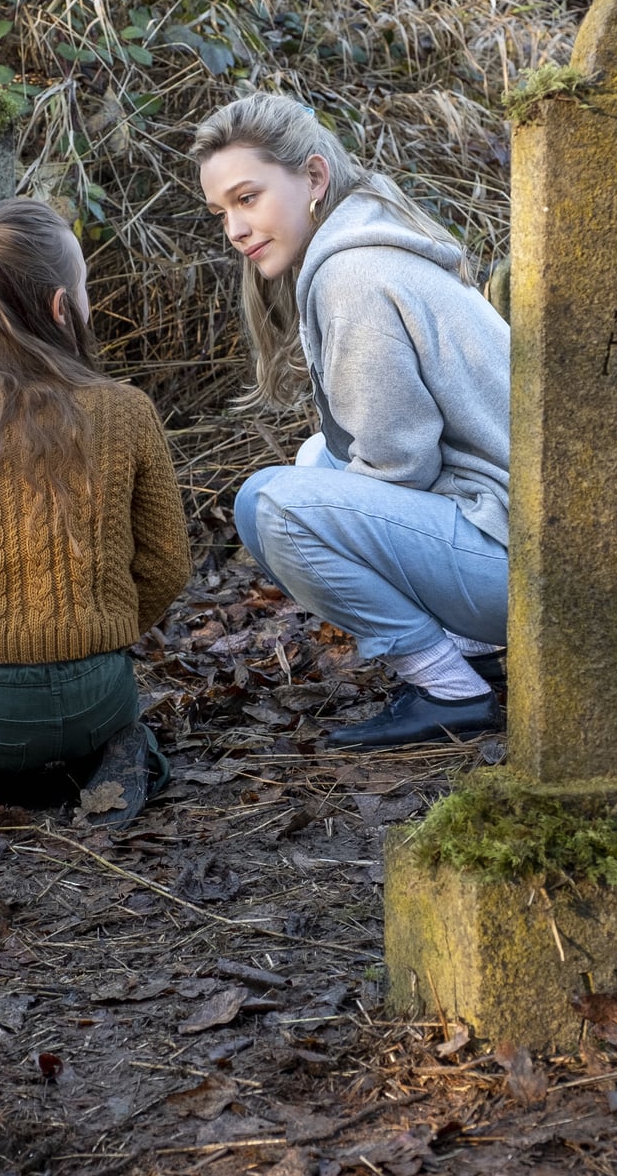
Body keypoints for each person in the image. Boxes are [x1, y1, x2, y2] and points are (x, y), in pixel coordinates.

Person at [193, 93, 510, 748]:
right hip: (512, 538)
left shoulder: (354, 277)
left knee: (271, 504)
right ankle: (467, 646)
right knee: (313, 462)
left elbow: (399, 469)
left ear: (312, 177)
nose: (235, 229)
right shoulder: (361, 245)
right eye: (222, 212)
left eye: (247, 199)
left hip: (519, 567)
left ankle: (448, 688)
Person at [0, 198, 191, 826]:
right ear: (61, 308)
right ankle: (122, 758)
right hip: (98, 695)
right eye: (82, 290)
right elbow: (167, 566)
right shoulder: (127, 411)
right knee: (118, 728)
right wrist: (102, 626)